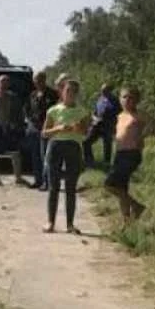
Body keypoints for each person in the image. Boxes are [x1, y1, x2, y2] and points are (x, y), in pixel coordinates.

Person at [42, 79, 91, 234]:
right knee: (53, 187)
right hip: (56, 146)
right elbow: (44, 133)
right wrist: (59, 128)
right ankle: (50, 222)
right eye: (68, 90)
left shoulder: (83, 112)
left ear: (77, 94)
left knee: (71, 187)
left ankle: (70, 224)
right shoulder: (53, 110)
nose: (70, 94)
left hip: (73, 147)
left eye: (74, 91)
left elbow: (86, 133)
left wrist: (77, 129)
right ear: (62, 92)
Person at [104, 86, 147, 223]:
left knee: (110, 184)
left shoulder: (139, 116)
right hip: (120, 154)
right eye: (124, 97)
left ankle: (136, 206)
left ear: (137, 100)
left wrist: (143, 136)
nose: (127, 100)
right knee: (122, 187)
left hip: (132, 154)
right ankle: (127, 221)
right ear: (120, 99)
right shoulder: (120, 116)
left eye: (131, 97)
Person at [27, 71, 58, 191]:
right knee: (35, 156)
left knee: (45, 156)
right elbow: (28, 110)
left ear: (44, 80)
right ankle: (38, 180)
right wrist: (31, 121)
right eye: (35, 80)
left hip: (47, 128)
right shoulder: (33, 94)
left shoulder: (53, 94)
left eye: (39, 80)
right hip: (34, 129)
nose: (37, 82)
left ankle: (47, 182)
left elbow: (55, 111)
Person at [84, 83, 119, 167]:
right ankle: (89, 160)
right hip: (97, 124)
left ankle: (106, 163)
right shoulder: (100, 99)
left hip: (108, 125)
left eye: (105, 90)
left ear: (110, 91)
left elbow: (119, 114)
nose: (102, 92)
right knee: (86, 142)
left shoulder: (115, 101)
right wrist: (94, 118)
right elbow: (95, 112)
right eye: (102, 90)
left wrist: (115, 124)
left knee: (107, 145)